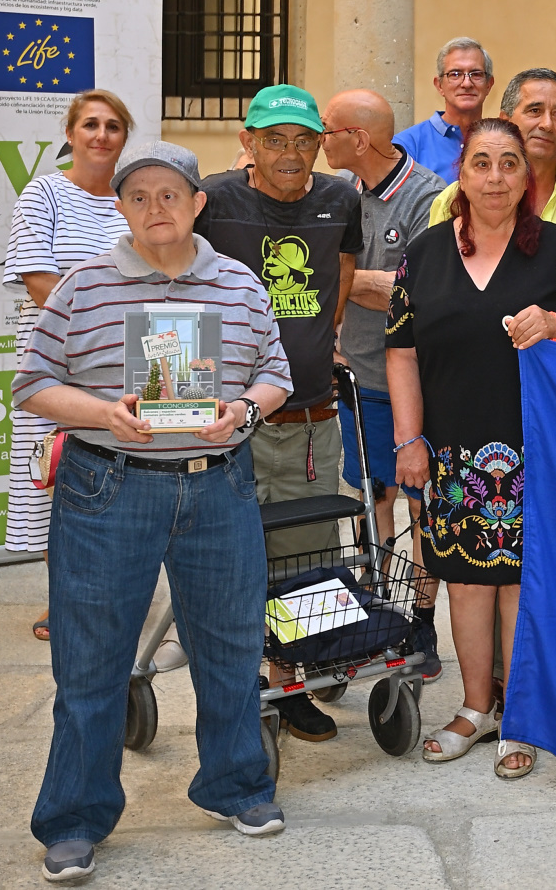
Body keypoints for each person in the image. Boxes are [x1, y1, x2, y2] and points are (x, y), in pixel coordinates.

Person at [15, 142, 292, 883]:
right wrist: (104, 412)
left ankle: (238, 785)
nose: (156, 208)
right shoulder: (81, 287)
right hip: (109, 486)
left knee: (231, 650)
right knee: (92, 661)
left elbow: (277, 372)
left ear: (199, 203)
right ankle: (73, 818)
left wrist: (242, 410)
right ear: (120, 206)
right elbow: (33, 384)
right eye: (139, 196)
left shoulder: (237, 283)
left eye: (171, 194)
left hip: (218, 483)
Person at [391, 117, 556, 778]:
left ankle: (521, 716)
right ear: (461, 173)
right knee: (465, 582)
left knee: (517, 584)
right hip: (451, 453)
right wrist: (409, 439)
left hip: (534, 449)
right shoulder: (425, 253)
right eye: (481, 162)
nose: (494, 176)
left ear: (526, 175)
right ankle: (474, 706)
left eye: (508, 163)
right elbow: (400, 350)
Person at [195, 84, 361, 743]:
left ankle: (293, 683)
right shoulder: (213, 200)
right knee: (232, 563)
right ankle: (236, 685)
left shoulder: (339, 200)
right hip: (228, 425)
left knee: (308, 561)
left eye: (303, 139)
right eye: (274, 139)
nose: (290, 153)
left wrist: (321, 339)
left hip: (311, 423)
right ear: (248, 142)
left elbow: (341, 280)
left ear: (320, 143)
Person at [320, 88, 446, 682]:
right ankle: (373, 611)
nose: (322, 140)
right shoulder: (344, 196)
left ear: (359, 138)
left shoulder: (427, 196)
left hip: (415, 379)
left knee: (420, 503)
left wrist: (338, 280)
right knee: (372, 501)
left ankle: (422, 622)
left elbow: (415, 290)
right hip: (358, 376)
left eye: (328, 129)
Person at [2, 89, 133, 643]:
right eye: (90, 125)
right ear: (71, 134)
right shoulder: (44, 193)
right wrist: (101, 329)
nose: (101, 135)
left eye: (113, 126)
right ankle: (64, 599)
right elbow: (38, 283)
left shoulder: (134, 199)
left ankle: (116, 594)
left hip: (128, 363)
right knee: (57, 478)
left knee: (120, 480)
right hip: (57, 361)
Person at [428, 68, 556, 248]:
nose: (547, 124)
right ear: (505, 121)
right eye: (535, 111)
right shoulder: (456, 199)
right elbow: (436, 272)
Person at [395, 37, 495, 183]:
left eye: (476, 74)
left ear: (489, 85)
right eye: (455, 74)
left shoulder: (501, 141)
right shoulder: (406, 145)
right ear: (439, 85)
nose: (466, 83)